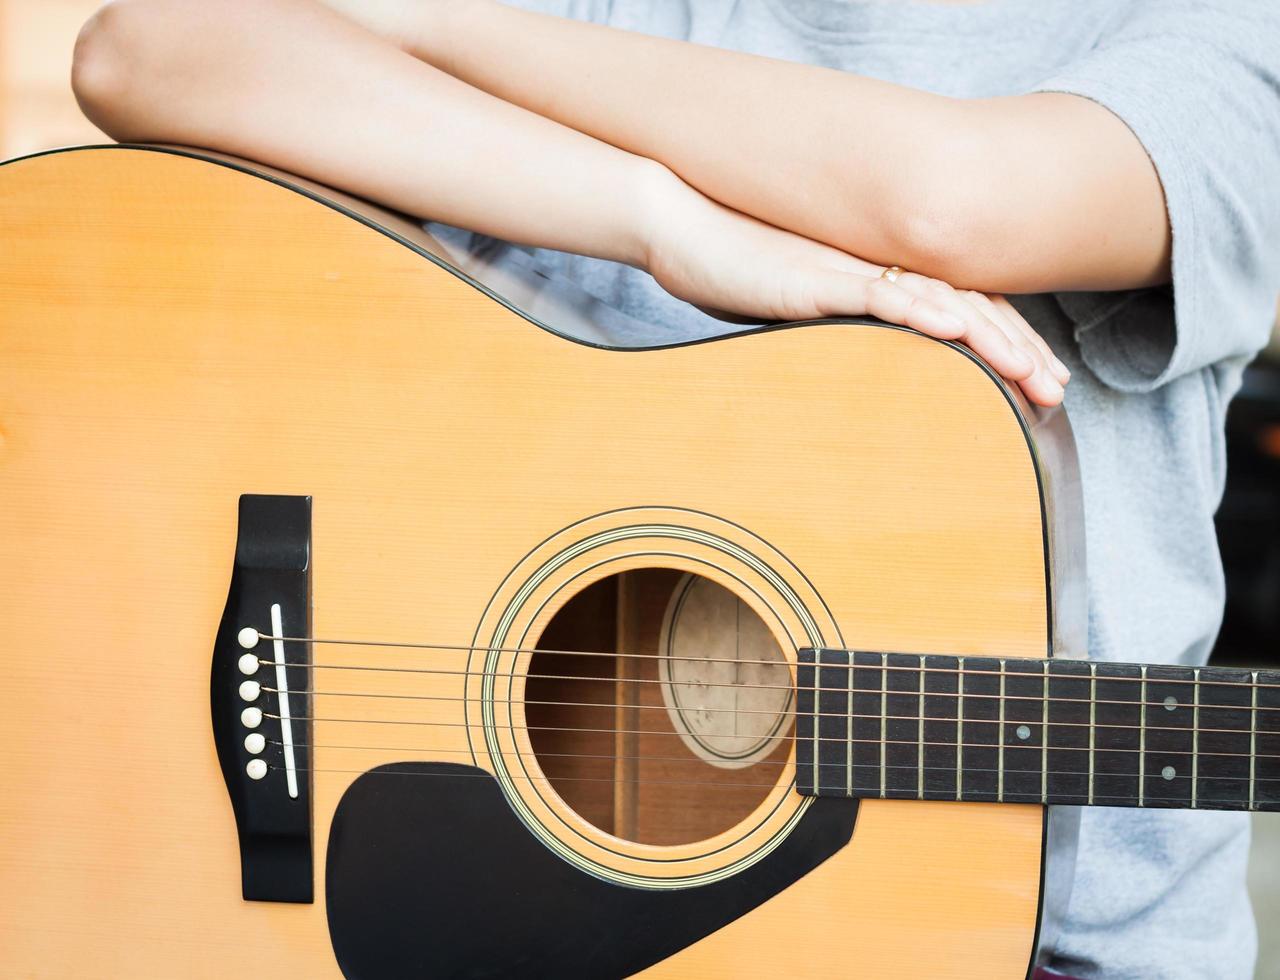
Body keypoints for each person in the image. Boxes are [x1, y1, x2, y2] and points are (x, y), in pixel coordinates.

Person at [69, 1, 1280, 975]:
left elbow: (951, 205)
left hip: (1043, 950)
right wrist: (660, 222)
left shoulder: (1221, 37)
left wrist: (426, 27)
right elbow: (144, 47)